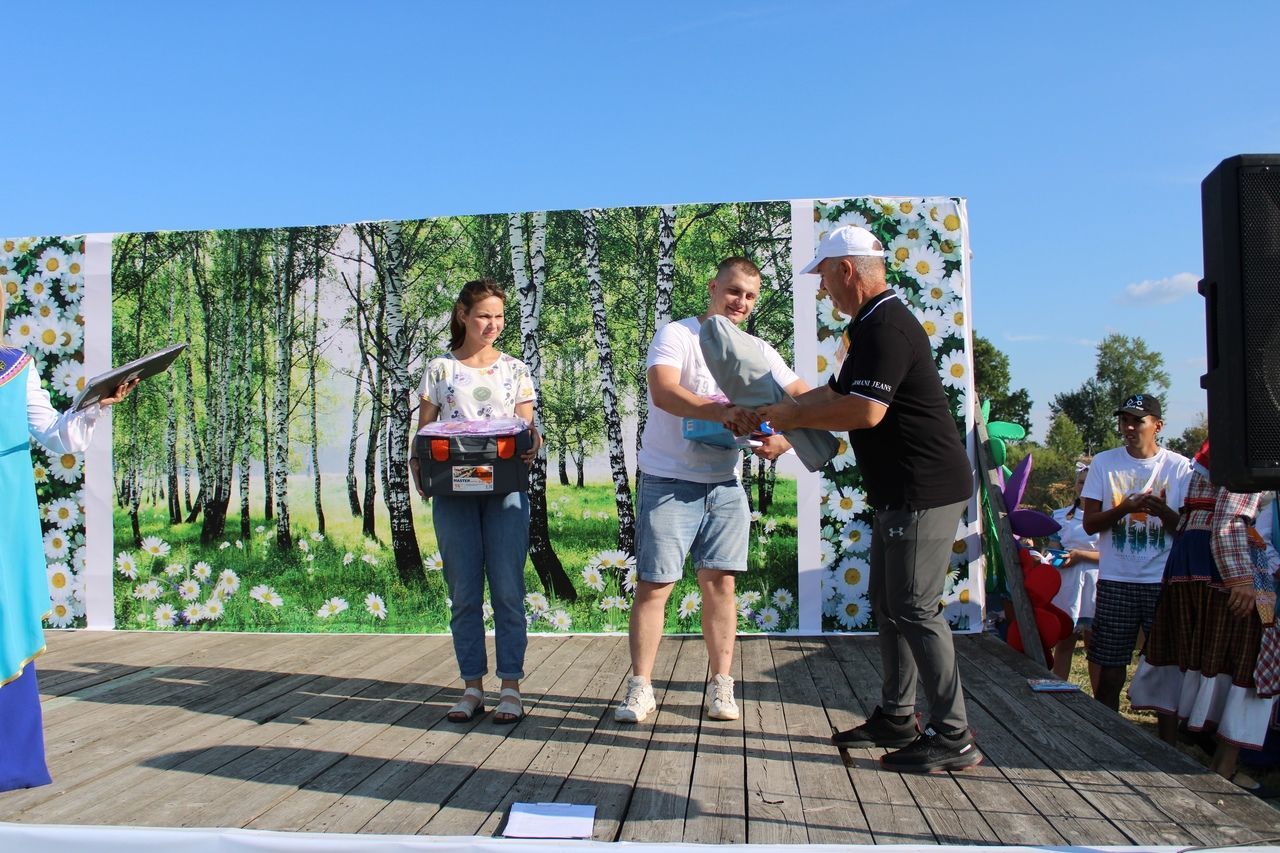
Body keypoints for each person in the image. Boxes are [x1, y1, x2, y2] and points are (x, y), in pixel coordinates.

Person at [758, 224, 980, 773]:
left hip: (922, 489)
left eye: (824, 278)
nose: (823, 290)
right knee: (888, 603)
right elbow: (837, 395)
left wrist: (783, 415)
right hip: (901, 490)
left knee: (912, 605)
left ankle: (953, 736)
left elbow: (866, 412)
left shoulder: (887, 328)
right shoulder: (869, 324)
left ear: (846, 271)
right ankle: (898, 716)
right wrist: (784, 426)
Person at [614, 256, 803, 724]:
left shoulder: (757, 349)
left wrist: (787, 434)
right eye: (734, 291)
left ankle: (721, 687)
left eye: (750, 296)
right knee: (655, 585)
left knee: (721, 586)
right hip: (668, 481)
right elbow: (663, 391)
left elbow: (801, 396)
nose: (741, 302)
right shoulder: (678, 334)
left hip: (725, 485)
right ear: (713, 287)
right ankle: (640, 688)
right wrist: (721, 412)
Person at [2, 288, 136, 791]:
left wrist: (94, 406)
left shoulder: (15, 369)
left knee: (4, 619)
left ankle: (8, 762)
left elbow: (58, 435)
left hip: (3, 513)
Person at [410, 278, 541, 724]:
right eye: (484, 315)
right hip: (453, 492)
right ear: (463, 315)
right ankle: (471, 688)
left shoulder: (515, 370)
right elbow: (425, 431)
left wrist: (533, 440)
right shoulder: (440, 370)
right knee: (463, 592)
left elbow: (527, 427)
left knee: (508, 588)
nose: (493, 325)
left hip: (504, 490)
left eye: (499, 316)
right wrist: (418, 465)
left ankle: (510, 687)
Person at [1128, 441, 1280, 784]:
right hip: (1234, 565)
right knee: (1250, 659)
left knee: (1205, 658)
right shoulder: (1251, 440)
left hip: (1193, 561)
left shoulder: (1223, 439)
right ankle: (1224, 766)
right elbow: (1229, 517)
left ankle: (1201, 753)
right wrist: (1240, 577)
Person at [1080, 393, 1191, 710]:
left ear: (1157, 425)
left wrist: (1163, 513)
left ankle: (1167, 742)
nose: (1129, 427)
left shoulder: (1179, 467)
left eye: (1137, 421)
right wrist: (1124, 509)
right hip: (1116, 579)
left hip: (1161, 580)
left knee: (1165, 668)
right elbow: (1089, 524)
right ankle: (1107, 734)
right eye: (1124, 420)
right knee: (1111, 668)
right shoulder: (1104, 462)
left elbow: (1185, 529)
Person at [1047, 461, 1101, 681]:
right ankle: (1059, 693)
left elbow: (1112, 556)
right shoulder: (1060, 516)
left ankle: (1101, 702)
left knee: (1095, 648)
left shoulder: (1107, 517)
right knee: (1065, 642)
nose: (1084, 487)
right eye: (1080, 482)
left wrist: (1081, 556)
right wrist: (1055, 558)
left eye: (1089, 483)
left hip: (1096, 584)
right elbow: (1052, 550)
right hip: (1068, 584)